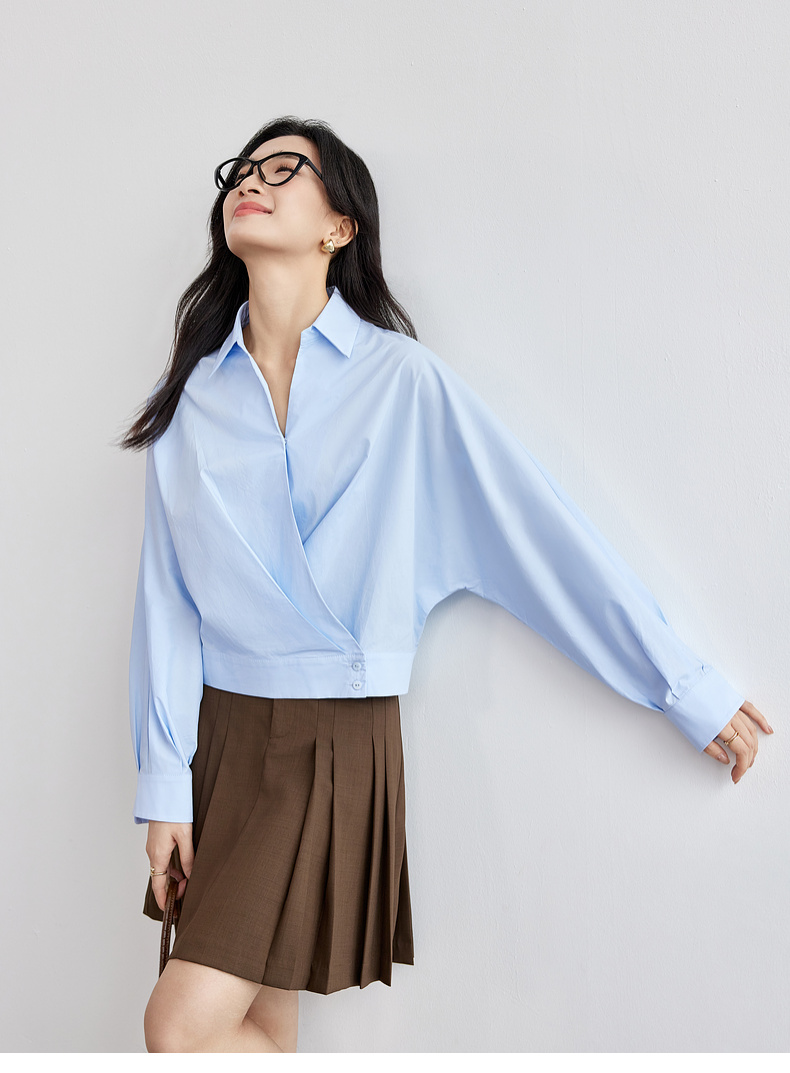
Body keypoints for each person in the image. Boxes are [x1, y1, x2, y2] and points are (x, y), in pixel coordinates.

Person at [117, 115, 773, 1053]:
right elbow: (166, 604)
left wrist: (684, 684)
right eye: (241, 171)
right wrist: (163, 787)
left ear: (340, 226)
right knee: (259, 1023)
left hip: (332, 737)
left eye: (284, 168)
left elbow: (540, 537)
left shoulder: (403, 382)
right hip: (217, 733)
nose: (249, 181)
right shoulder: (193, 397)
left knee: (177, 1029)